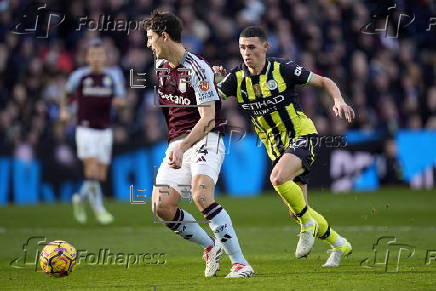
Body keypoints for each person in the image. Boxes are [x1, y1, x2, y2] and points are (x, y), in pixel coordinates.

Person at [215, 26, 355, 267]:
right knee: (298, 210)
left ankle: (307, 227)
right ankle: (340, 244)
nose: (246, 53)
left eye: (251, 47)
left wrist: (338, 99)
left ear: (265, 48)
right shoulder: (236, 79)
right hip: (275, 147)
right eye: (242, 48)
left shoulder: (283, 68)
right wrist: (212, 78)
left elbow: (324, 81)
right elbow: (210, 99)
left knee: (277, 178)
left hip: (302, 135)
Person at [145, 10, 254, 278]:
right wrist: (175, 145)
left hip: (206, 138)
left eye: (150, 38)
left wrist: (183, 147)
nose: (148, 44)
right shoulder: (160, 68)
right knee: (161, 206)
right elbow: (170, 111)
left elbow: (208, 119)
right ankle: (210, 247)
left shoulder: (197, 68)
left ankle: (241, 264)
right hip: (178, 142)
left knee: (201, 196)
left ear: (164, 36)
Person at [60, 40, 126, 225]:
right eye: (93, 55)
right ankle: (99, 210)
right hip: (85, 128)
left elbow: (121, 98)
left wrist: (120, 103)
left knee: (100, 174)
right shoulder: (79, 76)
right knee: (91, 170)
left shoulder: (112, 76)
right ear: (88, 57)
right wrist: (64, 110)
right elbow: (66, 94)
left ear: (105, 57)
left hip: (105, 129)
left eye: (100, 55)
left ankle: (79, 199)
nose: (96, 58)